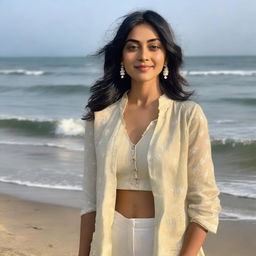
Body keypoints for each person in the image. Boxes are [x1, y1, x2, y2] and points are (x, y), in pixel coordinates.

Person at [78, 9, 221, 256]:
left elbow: (205, 203)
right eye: (132, 47)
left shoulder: (187, 116)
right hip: (111, 242)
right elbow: (91, 200)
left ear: (166, 55)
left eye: (153, 47)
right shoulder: (101, 116)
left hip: (169, 245)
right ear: (121, 56)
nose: (143, 56)